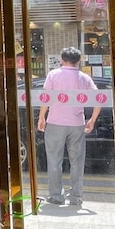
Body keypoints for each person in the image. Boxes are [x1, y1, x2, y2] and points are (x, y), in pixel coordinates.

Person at [37, 47, 101, 208]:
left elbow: (46, 98)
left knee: (54, 160)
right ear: (78, 61)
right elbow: (98, 99)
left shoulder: (53, 75)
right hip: (77, 124)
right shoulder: (84, 78)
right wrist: (92, 119)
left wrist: (42, 117)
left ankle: (56, 196)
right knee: (77, 161)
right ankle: (76, 197)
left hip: (55, 122)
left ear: (61, 60)